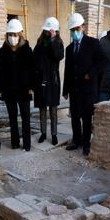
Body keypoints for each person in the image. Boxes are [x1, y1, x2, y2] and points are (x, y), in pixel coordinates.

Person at [62, 13, 106, 156]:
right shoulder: (69, 48)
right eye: (72, 30)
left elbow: (102, 62)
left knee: (87, 118)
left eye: (77, 28)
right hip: (74, 89)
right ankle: (77, 140)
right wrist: (65, 89)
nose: (75, 32)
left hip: (88, 89)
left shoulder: (93, 43)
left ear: (83, 27)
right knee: (75, 117)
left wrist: (90, 74)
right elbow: (67, 70)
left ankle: (87, 144)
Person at [0, 19, 35, 151]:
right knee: (12, 118)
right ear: (7, 35)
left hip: (24, 90)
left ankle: (27, 145)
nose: (13, 37)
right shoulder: (2, 51)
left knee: (25, 118)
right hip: (8, 90)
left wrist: (31, 87)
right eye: (10, 34)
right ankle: (15, 143)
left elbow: (32, 70)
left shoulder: (27, 50)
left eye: (15, 34)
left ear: (20, 35)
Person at [33, 17, 64, 146]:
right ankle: (43, 133)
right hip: (41, 79)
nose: (48, 33)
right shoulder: (40, 42)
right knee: (42, 109)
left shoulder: (58, 42)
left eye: (50, 31)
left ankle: (54, 134)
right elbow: (34, 59)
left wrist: (52, 40)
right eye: (46, 31)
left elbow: (58, 56)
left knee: (53, 110)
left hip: (53, 80)